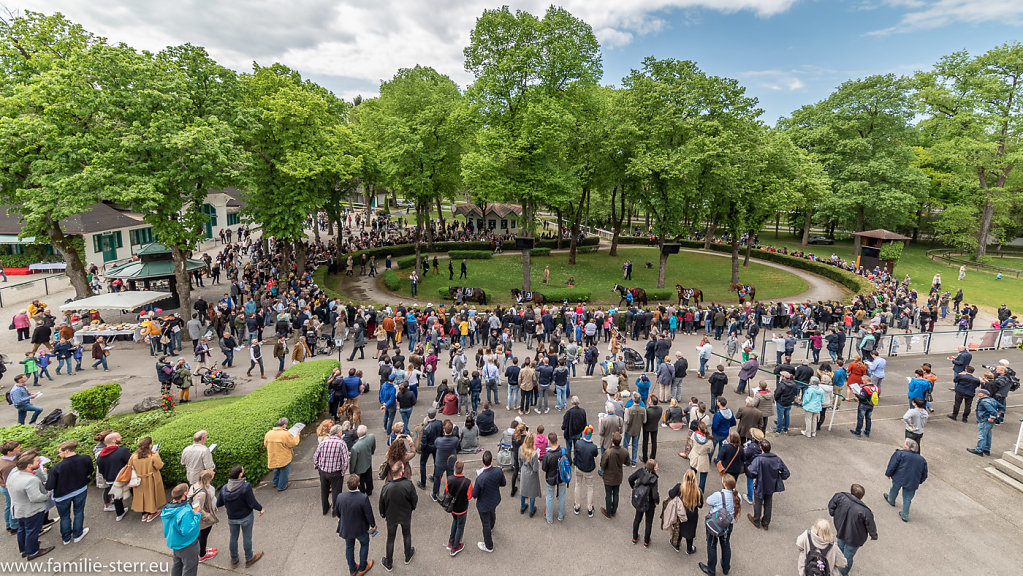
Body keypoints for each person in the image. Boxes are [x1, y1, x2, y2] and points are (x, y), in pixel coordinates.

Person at [8, 451, 54, 560]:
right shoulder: (31, 480)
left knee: (22, 529)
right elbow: (36, 498)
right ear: (29, 465)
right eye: (37, 461)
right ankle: (33, 552)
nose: (40, 462)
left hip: (19, 509)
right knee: (32, 531)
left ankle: (24, 549)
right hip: (31, 510)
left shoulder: (14, 474)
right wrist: (47, 495)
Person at [216, 465, 265, 568]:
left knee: (233, 538)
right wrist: (260, 508)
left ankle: (234, 560)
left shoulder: (224, 488)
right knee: (247, 538)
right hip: (245, 517)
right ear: (240, 474)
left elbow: (219, 503)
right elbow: (252, 502)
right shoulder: (245, 487)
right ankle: (249, 559)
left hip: (232, 518)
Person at [45, 441, 92, 545]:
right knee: (79, 512)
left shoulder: (56, 468)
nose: (59, 454)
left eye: (60, 452)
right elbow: (89, 471)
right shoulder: (86, 458)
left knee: (64, 516)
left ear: (66, 451)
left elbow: (50, 486)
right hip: (80, 490)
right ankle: (78, 534)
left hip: (62, 496)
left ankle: (66, 538)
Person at [828, 484, 877, 576]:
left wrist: (834, 514)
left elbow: (831, 506)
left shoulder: (840, 497)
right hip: (854, 538)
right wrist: (873, 535)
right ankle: (841, 573)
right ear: (862, 496)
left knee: (840, 549)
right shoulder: (865, 511)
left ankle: (837, 565)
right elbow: (870, 525)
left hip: (841, 530)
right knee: (848, 557)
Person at [378, 462, 418, 570]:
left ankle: (389, 562)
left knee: (390, 539)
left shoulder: (386, 487)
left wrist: (383, 514)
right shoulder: (408, 484)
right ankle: (407, 555)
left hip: (391, 517)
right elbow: (414, 499)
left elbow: (381, 504)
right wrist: (412, 508)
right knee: (406, 534)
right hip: (405, 515)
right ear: (401, 472)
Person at [699, 473, 740, 576]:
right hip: (728, 525)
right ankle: (726, 568)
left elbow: (708, 501)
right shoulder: (737, 496)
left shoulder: (718, 495)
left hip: (716, 525)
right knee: (726, 545)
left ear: (724, 484)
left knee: (712, 545)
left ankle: (711, 570)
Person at [335, 473, 376, 575]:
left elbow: (337, 512)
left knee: (349, 547)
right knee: (364, 544)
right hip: (360, 529)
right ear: (358, 484)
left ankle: (352, 569)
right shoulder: (363, 498)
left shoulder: (340, 497)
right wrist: (373, 525)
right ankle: (362, 567)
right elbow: (369, 514)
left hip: (347, 528)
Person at [745, 439, 789, 531]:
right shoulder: (776, 459)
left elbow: (750, 471)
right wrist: (778, 477)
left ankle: (756, 521)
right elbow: (786, 473)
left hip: (760, 484)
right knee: (768, 503)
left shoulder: (759, 459)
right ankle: (766, 523)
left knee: (758, 502)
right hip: (771, 485)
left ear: (761, 448)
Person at [162, 483, 202, 576]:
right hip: (187, 545)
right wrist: (196, 514)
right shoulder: (185, 512)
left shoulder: (168, 509)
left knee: (177, 566)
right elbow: (187, 530)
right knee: (189, 569)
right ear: (184, 494)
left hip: (176, 543)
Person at [884, 438, 927, 522]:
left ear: (907, 447)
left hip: (898, 477)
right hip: (912, 481)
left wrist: (888, 473)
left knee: (894, 488)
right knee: (907, 498)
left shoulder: (900, 453)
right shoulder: (922, 460)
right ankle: (905, 515)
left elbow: (893, 464)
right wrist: (919, 481)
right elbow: (924, 474)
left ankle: (891, 500)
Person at [314, 424, 351, 515]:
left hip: (323, 472)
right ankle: (336, 511)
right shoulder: (341, 443)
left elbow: (315, 457)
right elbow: (345, 460)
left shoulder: (323, 442)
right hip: (336, 473)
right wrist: (343, 471)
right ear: (339, 433)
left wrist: (318, 467)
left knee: (324, 491)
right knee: (336, 492)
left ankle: (325, 509)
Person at [474, 450, 505, 552]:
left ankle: (489, 546)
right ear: (492, 460)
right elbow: (503, 483)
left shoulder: (480, 478)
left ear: (482, 461)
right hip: (494, 499)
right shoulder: (498, 471)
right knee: (492, 513)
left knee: (485, 524)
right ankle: (491, 527)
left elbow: (474, 495)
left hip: (483, 504)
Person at [130, 437, 166, 522]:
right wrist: (157, 455)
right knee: (151, 495)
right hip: (151, 478)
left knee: (141, 496)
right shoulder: (153, 456)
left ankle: (144, 514)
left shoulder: (134, 456)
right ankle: (152, 513)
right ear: (149, 445)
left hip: (138, 479)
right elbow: (159, 466)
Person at [96, 432, 131, 521]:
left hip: (111, 480)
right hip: (125, 478)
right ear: (114, 441)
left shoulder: (100, 456)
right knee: (134, 491)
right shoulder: (123, 451)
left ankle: (120, 513)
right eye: (119, 437)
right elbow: (130, 463)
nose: (121, 437)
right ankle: (142, 509)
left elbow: (101, 470)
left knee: (117, 497)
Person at [187, 469, 219, 563]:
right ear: (209, 478)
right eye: (212, 474)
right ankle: (202, 555)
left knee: (200, 536)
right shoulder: (201, 493)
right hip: (203, 521)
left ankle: (202, 550)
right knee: (203, 536)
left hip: (199, 520)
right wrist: (208, 517)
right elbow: (197, 509)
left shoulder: (195, 485)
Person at [628, 459, 660, 547]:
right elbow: (654, 495)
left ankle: (635, 537)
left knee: (637, 519)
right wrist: (657, 501)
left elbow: (630, 479)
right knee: (648, 522)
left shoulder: (640, 471)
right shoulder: (654, 479)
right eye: (656, 466)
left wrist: (634, 489)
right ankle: (646, 541)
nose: (657, 468)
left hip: (640, 500)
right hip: (649, 503)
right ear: (653, 468)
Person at [444, 458, 472, 556]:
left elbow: (447, 491)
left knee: (454, 522)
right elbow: (469, 496)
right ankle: (455, 547)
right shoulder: (468, 482)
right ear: (462, 469)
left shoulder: (449, 479)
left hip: (453, 508)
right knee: (460, 526)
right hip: (462, 508)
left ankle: (451, 541)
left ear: (454, 468)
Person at [264, 417, 300, 491]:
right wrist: (297, 435)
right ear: (284, 425)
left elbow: (265, 444)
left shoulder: (269, 433)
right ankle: (282, 486)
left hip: (273, 455)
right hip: (283, 456)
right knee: (284, 471)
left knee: (276, 469)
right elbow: (293, 443)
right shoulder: (285, 434)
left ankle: (275, 483)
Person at [600, 432, 630, 518]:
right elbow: (628, 463)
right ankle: (614, 511)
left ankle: (608, 512)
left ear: (612, 440)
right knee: (616, 493)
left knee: (608, 494)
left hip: (608, 477)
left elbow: (602, 465)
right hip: (618, 476)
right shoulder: (624, 451)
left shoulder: (608, 452)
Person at [968, 388, 1005, 457]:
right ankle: (986, 449)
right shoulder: (992, 399)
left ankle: (979, 450)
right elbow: (1002, 407)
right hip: (990, 422)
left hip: (985, 420)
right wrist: (999, 414)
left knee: (982, 435)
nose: (978, 393)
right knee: (988, 435)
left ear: (983, 394)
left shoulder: (984, 402)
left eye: (979, 392)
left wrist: (992, 417)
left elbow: (992, 411)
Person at [541, 432, 567, 523]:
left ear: (549, 442)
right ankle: (560, 515)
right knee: (562, 496)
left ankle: (549, 518)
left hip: (551, 478)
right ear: (557, 440)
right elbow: (569, 462)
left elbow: (544, 468)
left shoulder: (548, 455)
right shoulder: (564, 451)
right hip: (562, 477)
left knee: (550, 497)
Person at [573, 425, 598, 518]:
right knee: (590, 488)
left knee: (578, 485)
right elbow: (595, 455)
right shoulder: (593, 447)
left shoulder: (578, 443)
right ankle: (589, 508)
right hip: (589, 469)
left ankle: (577, 506)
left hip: (579, 467)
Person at [687, 421, 714, 493]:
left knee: (692, 474)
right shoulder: (709, 441)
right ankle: (700, 492)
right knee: (703, 477)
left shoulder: (694, 435)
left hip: (694, 455)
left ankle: (690, 489)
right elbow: (710, 450)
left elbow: (691, 444)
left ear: (698, 428)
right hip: (703, 458)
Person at [350, 425, 377, 495]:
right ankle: (369, 491)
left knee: (360, 482)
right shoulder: (371, 437)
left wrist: (351, 472)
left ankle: (362, 493)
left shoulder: (355, 448)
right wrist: (371, 452)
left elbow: (353, 461)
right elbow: (373, 447)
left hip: (359, 468)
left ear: (358, 434)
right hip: (368, 462)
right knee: (369, 478)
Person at [624, 392, 645, 466]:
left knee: (625, 445)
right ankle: (634, 462)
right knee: (635, 445)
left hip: (629, 429)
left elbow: (626, 420)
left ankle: (625, 461)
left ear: (633, 399)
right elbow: (644, 420)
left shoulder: (628, 409)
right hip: (637, 429)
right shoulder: (643, 409)